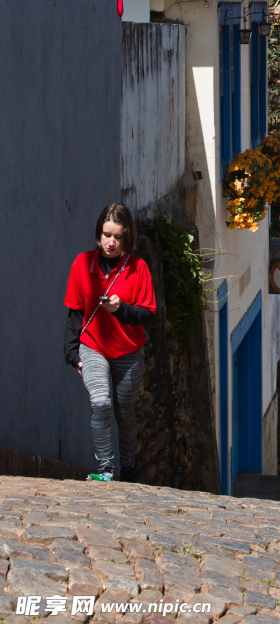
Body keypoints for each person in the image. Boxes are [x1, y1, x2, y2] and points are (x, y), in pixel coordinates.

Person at [64, 204, 156, 483]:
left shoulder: (138, 268)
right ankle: (105, 468)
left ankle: (128, 469)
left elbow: (148, 314)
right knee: (101, 402)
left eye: (117, 236)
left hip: (128, 351)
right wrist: (71, 352)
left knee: (124, 411)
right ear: (98, 234)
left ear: (126, 238)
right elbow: (75, 311)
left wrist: (122, 309)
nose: (110, 242)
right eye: (106, 235)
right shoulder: (82, 263)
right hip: (92, 346)